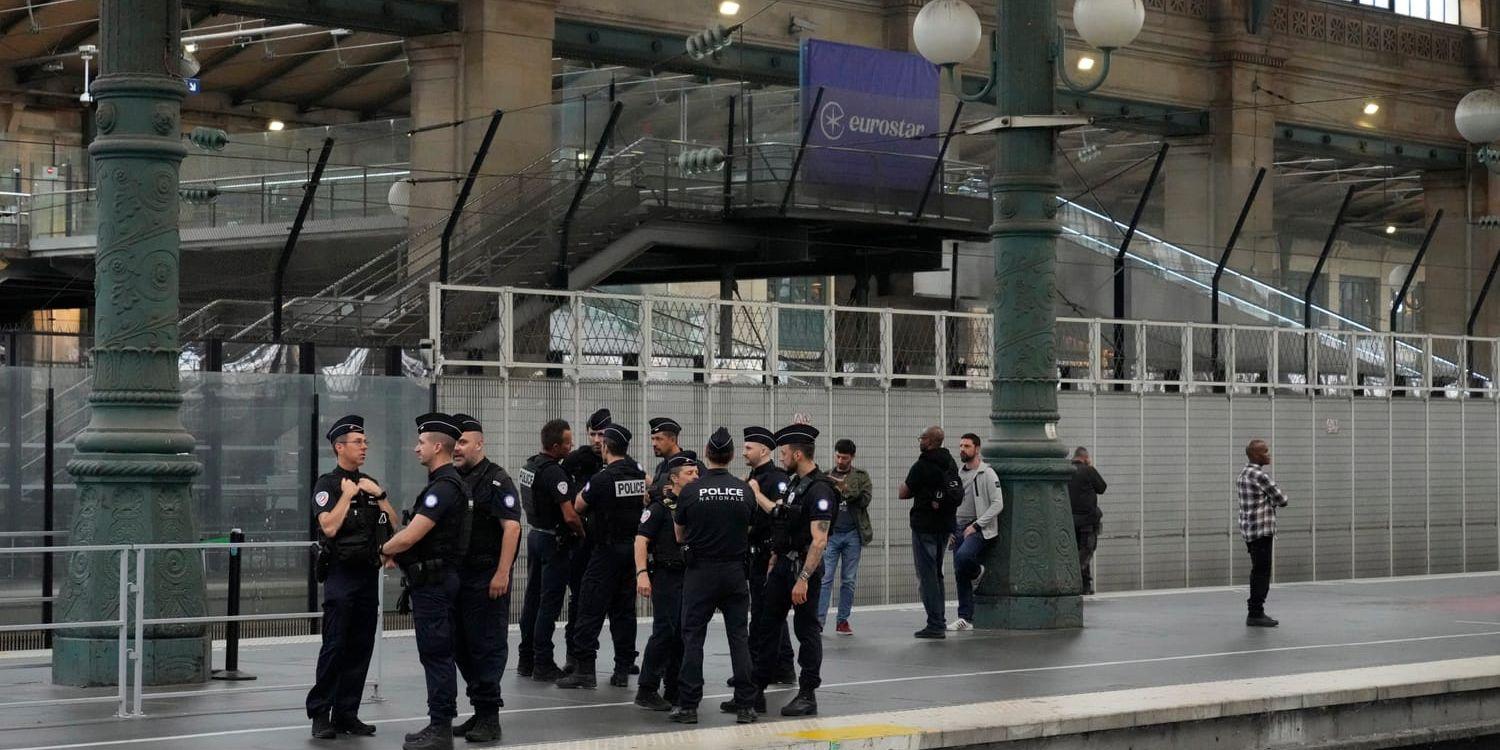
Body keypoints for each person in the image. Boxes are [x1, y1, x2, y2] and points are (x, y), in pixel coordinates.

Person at [380, 413, 472, 750]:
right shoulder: (443, 484)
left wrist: (383, 550)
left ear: (436, 447)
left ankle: (441, 728)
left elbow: (412, 535)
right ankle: (438, 724)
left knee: (436, 654)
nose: (414, 448)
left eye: (420, 443)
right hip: (432, 581)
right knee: (435, 653)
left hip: (434, 584)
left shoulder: (444, 488)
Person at [306, 415, 399, 740]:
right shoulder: (327, 485)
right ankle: (321, 714)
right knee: (334, 646)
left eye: (365, 442)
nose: (364, 447)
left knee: (361, 646)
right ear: (339, 446)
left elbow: (393, 524)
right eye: (358, 442)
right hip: (340, 577)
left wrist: (381, 494)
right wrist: (347, 496)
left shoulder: (370, 483)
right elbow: (329, 526)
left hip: (366, 576)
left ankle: (347, 712)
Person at [747, 422, 835, 717]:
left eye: (783, 453)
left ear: (798, 454)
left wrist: (804, 578)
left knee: (806, 630)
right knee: (766, 626)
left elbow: (819, 539)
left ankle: (808, 694)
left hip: (802, 570)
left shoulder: (820, 489)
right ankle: (756, 690)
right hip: (783, 564)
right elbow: (781, 518)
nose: (780, 457)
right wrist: (775, 557)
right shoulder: (796, 484)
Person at [676, 428, 758, 726]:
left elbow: (679, 532)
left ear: (706, 454)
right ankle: (746, 706)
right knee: (739, 637)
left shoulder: (690, 491)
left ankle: (688, 707)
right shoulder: (744, 489)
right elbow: (749, 526)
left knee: (693, 638)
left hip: (700, 572)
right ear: (732, 456)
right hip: (735, 571)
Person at [448, 414, 522, 743]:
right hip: (459, 577)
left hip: (486, 575)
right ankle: (479, 709)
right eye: (453, 443)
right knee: (460, 645)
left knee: (486, 646)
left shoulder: (497, 480)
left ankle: (490, 717)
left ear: (479, 443)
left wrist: (503, 572)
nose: (457, 448)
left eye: (463, 442)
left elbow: (512, 527)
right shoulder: (452, 479)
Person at [557, 421, 646, 689]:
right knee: (624, 612)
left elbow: (579, 505)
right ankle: (621, 669)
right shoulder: (637, 475)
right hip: (630, 551)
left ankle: (584, 670)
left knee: (589, 607)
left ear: (606, 446)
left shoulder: (603, 478)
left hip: (605, 551)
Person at [516, 419, 583, 683]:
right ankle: (543, 662)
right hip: (554, 542)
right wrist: (581, 531)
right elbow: (569, 515)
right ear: (555, 446)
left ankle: (526, 659)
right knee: (549, 603)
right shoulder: (555, 472)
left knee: (532, 599)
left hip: (535, 536)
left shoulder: (529, 465)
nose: (572, 446)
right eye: (568, 442)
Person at [633, 453, 697, 712]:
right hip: (666, 576)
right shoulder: (660, 507)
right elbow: (640, 540)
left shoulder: (693, 506)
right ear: (674, 478)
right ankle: (647, 688)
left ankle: (673, 688)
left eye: (696, 472)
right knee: (664, 632)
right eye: (689, 473)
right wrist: (642, 573)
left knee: (682, 634)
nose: (696, 477)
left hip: (688, 576)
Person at [741, 425, 796, 685]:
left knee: (769, 614)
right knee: (763, 614)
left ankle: (780, 667)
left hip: (769, 553)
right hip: (753, 554)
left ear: (764, 450)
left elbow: (779, 511)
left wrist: (757, 494)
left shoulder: (777, 479)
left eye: (748, 447)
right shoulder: (752, 477)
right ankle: (766, 668)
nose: (744, 452)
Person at [899, 425, 961, 639]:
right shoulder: (950, 462)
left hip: (924, 525)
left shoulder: (922, 464)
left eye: (922, 437)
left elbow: (904, 492)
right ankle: (939, 619)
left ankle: (935, 623)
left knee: (926, 576)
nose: (920, 441)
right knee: (937, 573)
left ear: (930, 441)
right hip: (945, 525)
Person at [818, 438, 872, 634]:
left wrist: (845, 488)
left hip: (853, 534)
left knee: (848, 579)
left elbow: (865, 499)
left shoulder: (861, 476)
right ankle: (819, 621)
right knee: (825, 578)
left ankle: (842, 620)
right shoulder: (826, 476)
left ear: (852, 457)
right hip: (831, 534)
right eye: (838, 456)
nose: (841, 461)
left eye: (845, 458)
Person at [950, 433, 1002, 631]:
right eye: (961, 445)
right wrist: (950, 528)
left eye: (967, 446)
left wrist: (977, 525)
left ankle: (977, 571)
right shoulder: (958, 474)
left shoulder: (986, 473)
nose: (962, 449)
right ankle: (965, 618)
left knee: (964, 558)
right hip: (958, 526)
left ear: (977, 449)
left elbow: (998, 503)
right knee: (959, 571)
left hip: (977, 528)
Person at [1238, 439, 1288, 627]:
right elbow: (1282, 499)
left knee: (1257, 570)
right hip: (1262, 530)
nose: (1269, 454)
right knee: (1262, 572)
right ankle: (1255, 612)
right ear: (1256, 455)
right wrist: (1270, 500)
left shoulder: (1243, 474)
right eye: (1265, 451)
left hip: (1249, 530)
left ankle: (1255, 611)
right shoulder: (1260, 476)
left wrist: (1268, 499)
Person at [1068, 446, 1107, 596]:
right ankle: (1075, 578)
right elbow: (1102, 487)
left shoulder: (1066, 470)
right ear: (1085, 458)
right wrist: (1090, 466)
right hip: (1087, 520)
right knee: (1087, 550)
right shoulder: (1088, 470)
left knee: (1078, 551)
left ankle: (1085, 585)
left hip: (1070, 521)